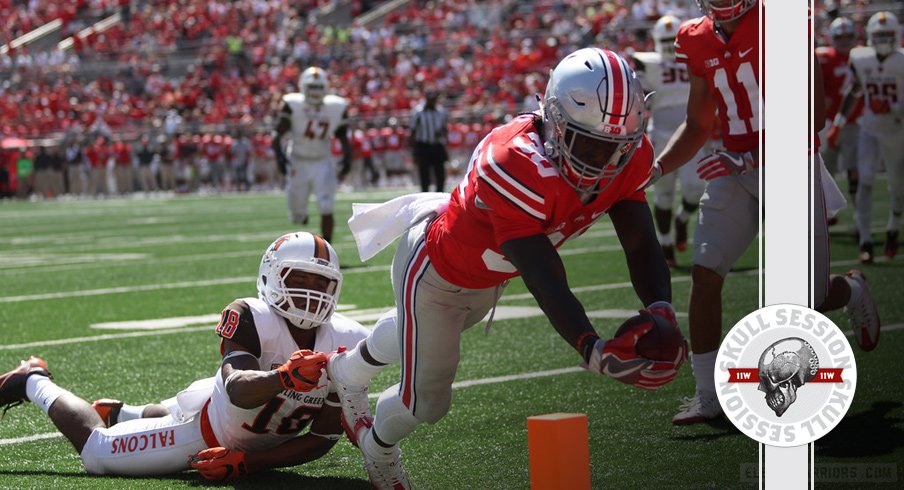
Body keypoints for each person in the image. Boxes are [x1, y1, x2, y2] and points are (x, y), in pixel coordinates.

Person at [329, 47, 688, 489]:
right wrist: (590, 347)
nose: (602, 162)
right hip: (436, 272)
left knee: (416, 330)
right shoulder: (515, 161)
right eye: (588, 144)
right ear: (554, 120)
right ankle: (376, 446)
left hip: (487, 276)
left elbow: (639, 240)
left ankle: (348, 371)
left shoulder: (627, 157)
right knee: (427, 404)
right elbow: (542, 273)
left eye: (615, 148)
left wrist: (660, 307)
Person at [657, 0, 880, 426]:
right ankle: (708, 395)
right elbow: (698, 122)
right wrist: (656, 168)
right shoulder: (695, 36)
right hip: (734, 165)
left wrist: (751, 158)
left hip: (789, 164)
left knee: (808, 297)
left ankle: (851, 290)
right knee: (705, 272)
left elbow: (813, 109)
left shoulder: (783, 20)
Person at [0, 232, 370, 480]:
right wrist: (283, 378)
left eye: (321, 283)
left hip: (231, 416)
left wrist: (247, 463)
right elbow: (238, 387)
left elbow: (322, 437)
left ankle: (121, 413)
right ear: (272, 277)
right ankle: (32, 380)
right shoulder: (250, 315)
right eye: (299, 279)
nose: (311, 293)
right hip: (206, 429)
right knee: (97, 454)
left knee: (188, 404)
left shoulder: (347, 337)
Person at [829, 11, 904, 263]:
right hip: (870, 127)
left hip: (897, 129)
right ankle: (866, 241)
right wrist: (838, 123)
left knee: (897, 186)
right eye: (878, 35)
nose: (883, 39)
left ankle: (893, 229)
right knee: (865, 182)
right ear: (870, 37)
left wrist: (895, 108)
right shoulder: (862, 58)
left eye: (887, 35)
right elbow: (856, 90)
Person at [633, 14, 707, 267]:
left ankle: (682, 218)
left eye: (671, 39)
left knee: (695, 189)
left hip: (691, 132)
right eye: (663, 39)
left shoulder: (695, 57)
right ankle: (665, 242)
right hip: (661, 135)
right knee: (663, 193)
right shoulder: (647, 63)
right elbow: (639, 96)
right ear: (655, 39)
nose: (666, 45)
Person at [272, 67, 353, 243]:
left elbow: (342, 136)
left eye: (318, 87)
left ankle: (327, 251)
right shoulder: (293, 104)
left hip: (322, 161)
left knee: (326, 206)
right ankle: (301, 215)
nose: (315, 91)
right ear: (303, 86)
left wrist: (348, 157)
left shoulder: (335, 107)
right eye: (311, 86)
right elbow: (277, 134)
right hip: (297, 160)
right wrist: (279, 157)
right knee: (296, 215)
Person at [817, 17, 862, 224]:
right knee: (825, 169)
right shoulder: (824, 57)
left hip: (856, 122)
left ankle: (860, 217)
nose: (844, 41)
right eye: (839, 37)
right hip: (827, 123)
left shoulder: (862, 56)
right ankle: (825, 211)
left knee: (857, 172)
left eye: (847, 36)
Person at [409, 90, 449, 192]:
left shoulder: (441, 112)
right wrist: (414, 150)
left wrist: (442, 137)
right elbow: (412, 131)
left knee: (440, 173)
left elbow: (445, 129)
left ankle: (439, 193)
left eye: (433, 99)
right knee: (424, 173)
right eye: (430, 99)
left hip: (437, 145)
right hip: (423, 145)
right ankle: (425, 194)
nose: (432, 101)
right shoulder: (418, 112)